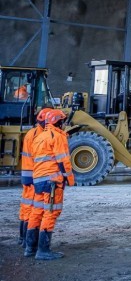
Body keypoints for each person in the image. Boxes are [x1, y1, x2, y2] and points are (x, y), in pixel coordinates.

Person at [24, 109, 75, 260]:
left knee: (37, 212)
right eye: (63, 121)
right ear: (58, 122)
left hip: (38, 180)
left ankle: (30, 248)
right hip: (52, 181)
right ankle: (43, 251)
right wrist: (70, 180)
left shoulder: (40, 137)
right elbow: (63, 161)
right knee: (50, 213)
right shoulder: (58, 136)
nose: (64, 124)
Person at [18, 107, 52, 247]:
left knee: (27, 206)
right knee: (32, 208)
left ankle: (23, 239)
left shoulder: (32, 133)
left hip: (28, 174)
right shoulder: (38, 135)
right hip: (33, 174)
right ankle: (27, 240)